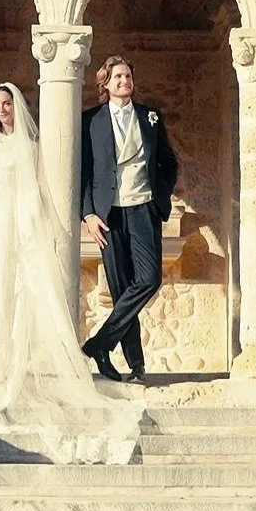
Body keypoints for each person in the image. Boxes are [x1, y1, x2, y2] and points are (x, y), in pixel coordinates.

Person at [0, 82, 140, 464]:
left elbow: (41, 187)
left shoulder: (32, 144)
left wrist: (45, 225)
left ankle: (3, 358)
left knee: (5, 286)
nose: (2, 109)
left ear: (17, 105)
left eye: (7, 103)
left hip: (12, 220)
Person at [78, 56, 178, 383]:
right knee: (122, 291)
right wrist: (88, 213)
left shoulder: (151, 117)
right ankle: (136, 366)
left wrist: (158, 196)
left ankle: (98, 343)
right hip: (108, 216)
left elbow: (168, 163)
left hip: (142, 209)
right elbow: (83, 172)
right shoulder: (90, 120)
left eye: (128, 76)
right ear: (105, 84)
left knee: (149, 279)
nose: (125, 81)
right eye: (118, 76)